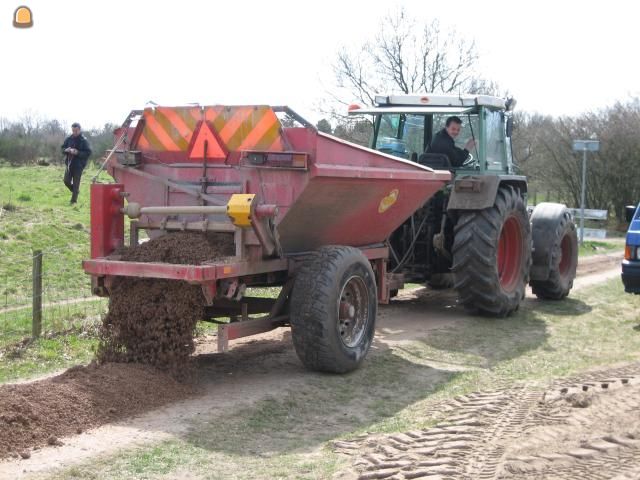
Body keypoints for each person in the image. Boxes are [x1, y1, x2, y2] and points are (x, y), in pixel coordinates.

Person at [61, 122, 92, 204]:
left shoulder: (84, 140)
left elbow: (88, 153)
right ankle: (75, 191)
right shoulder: (68, 139)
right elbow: (62, 148)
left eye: (76, 131)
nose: (74, 132)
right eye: (73, 130)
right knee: (66, 181)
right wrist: (66, 150)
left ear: (79, 130)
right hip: (69, 164)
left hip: (78, 165)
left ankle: (73, 201)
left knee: (76, 183)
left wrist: (77, 152)